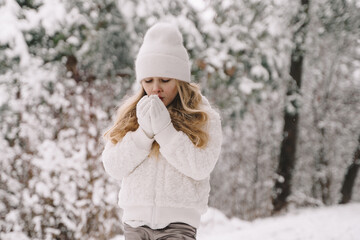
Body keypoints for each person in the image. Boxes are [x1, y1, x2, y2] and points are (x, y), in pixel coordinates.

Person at [101, 22, 222, 240]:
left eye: (165, 80)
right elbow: (114, 166)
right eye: (148, 81)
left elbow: (200, 167)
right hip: (135, 225)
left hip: (179, 224)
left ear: (180, 80)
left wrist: (165, 131)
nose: (156, 88)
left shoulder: (203, 117)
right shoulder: (131, 115)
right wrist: (143, 134)